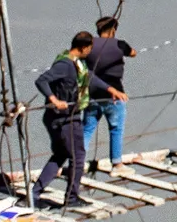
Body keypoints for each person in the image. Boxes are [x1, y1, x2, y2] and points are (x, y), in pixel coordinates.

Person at [33, 31, 127, 209]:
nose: (90, 52)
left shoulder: (78, 64)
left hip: (65, 118)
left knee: (61, 154)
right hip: (64, 119)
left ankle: (35, 193)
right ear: (83, 47)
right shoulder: (65, 65)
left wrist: (110, 90)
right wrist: (54, 99)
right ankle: (71, 198)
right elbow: (41, 81)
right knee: (78, 157)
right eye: (89, 48)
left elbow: (89, 77)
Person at [83, 16, 136, 178]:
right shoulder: (120, 44)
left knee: (86, 130)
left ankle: (76, 163)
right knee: (116, 129)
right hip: (115, 95)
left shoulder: (89, 45)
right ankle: (117, 164)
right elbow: (133, 53)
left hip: (92, 95)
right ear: (113, 30)